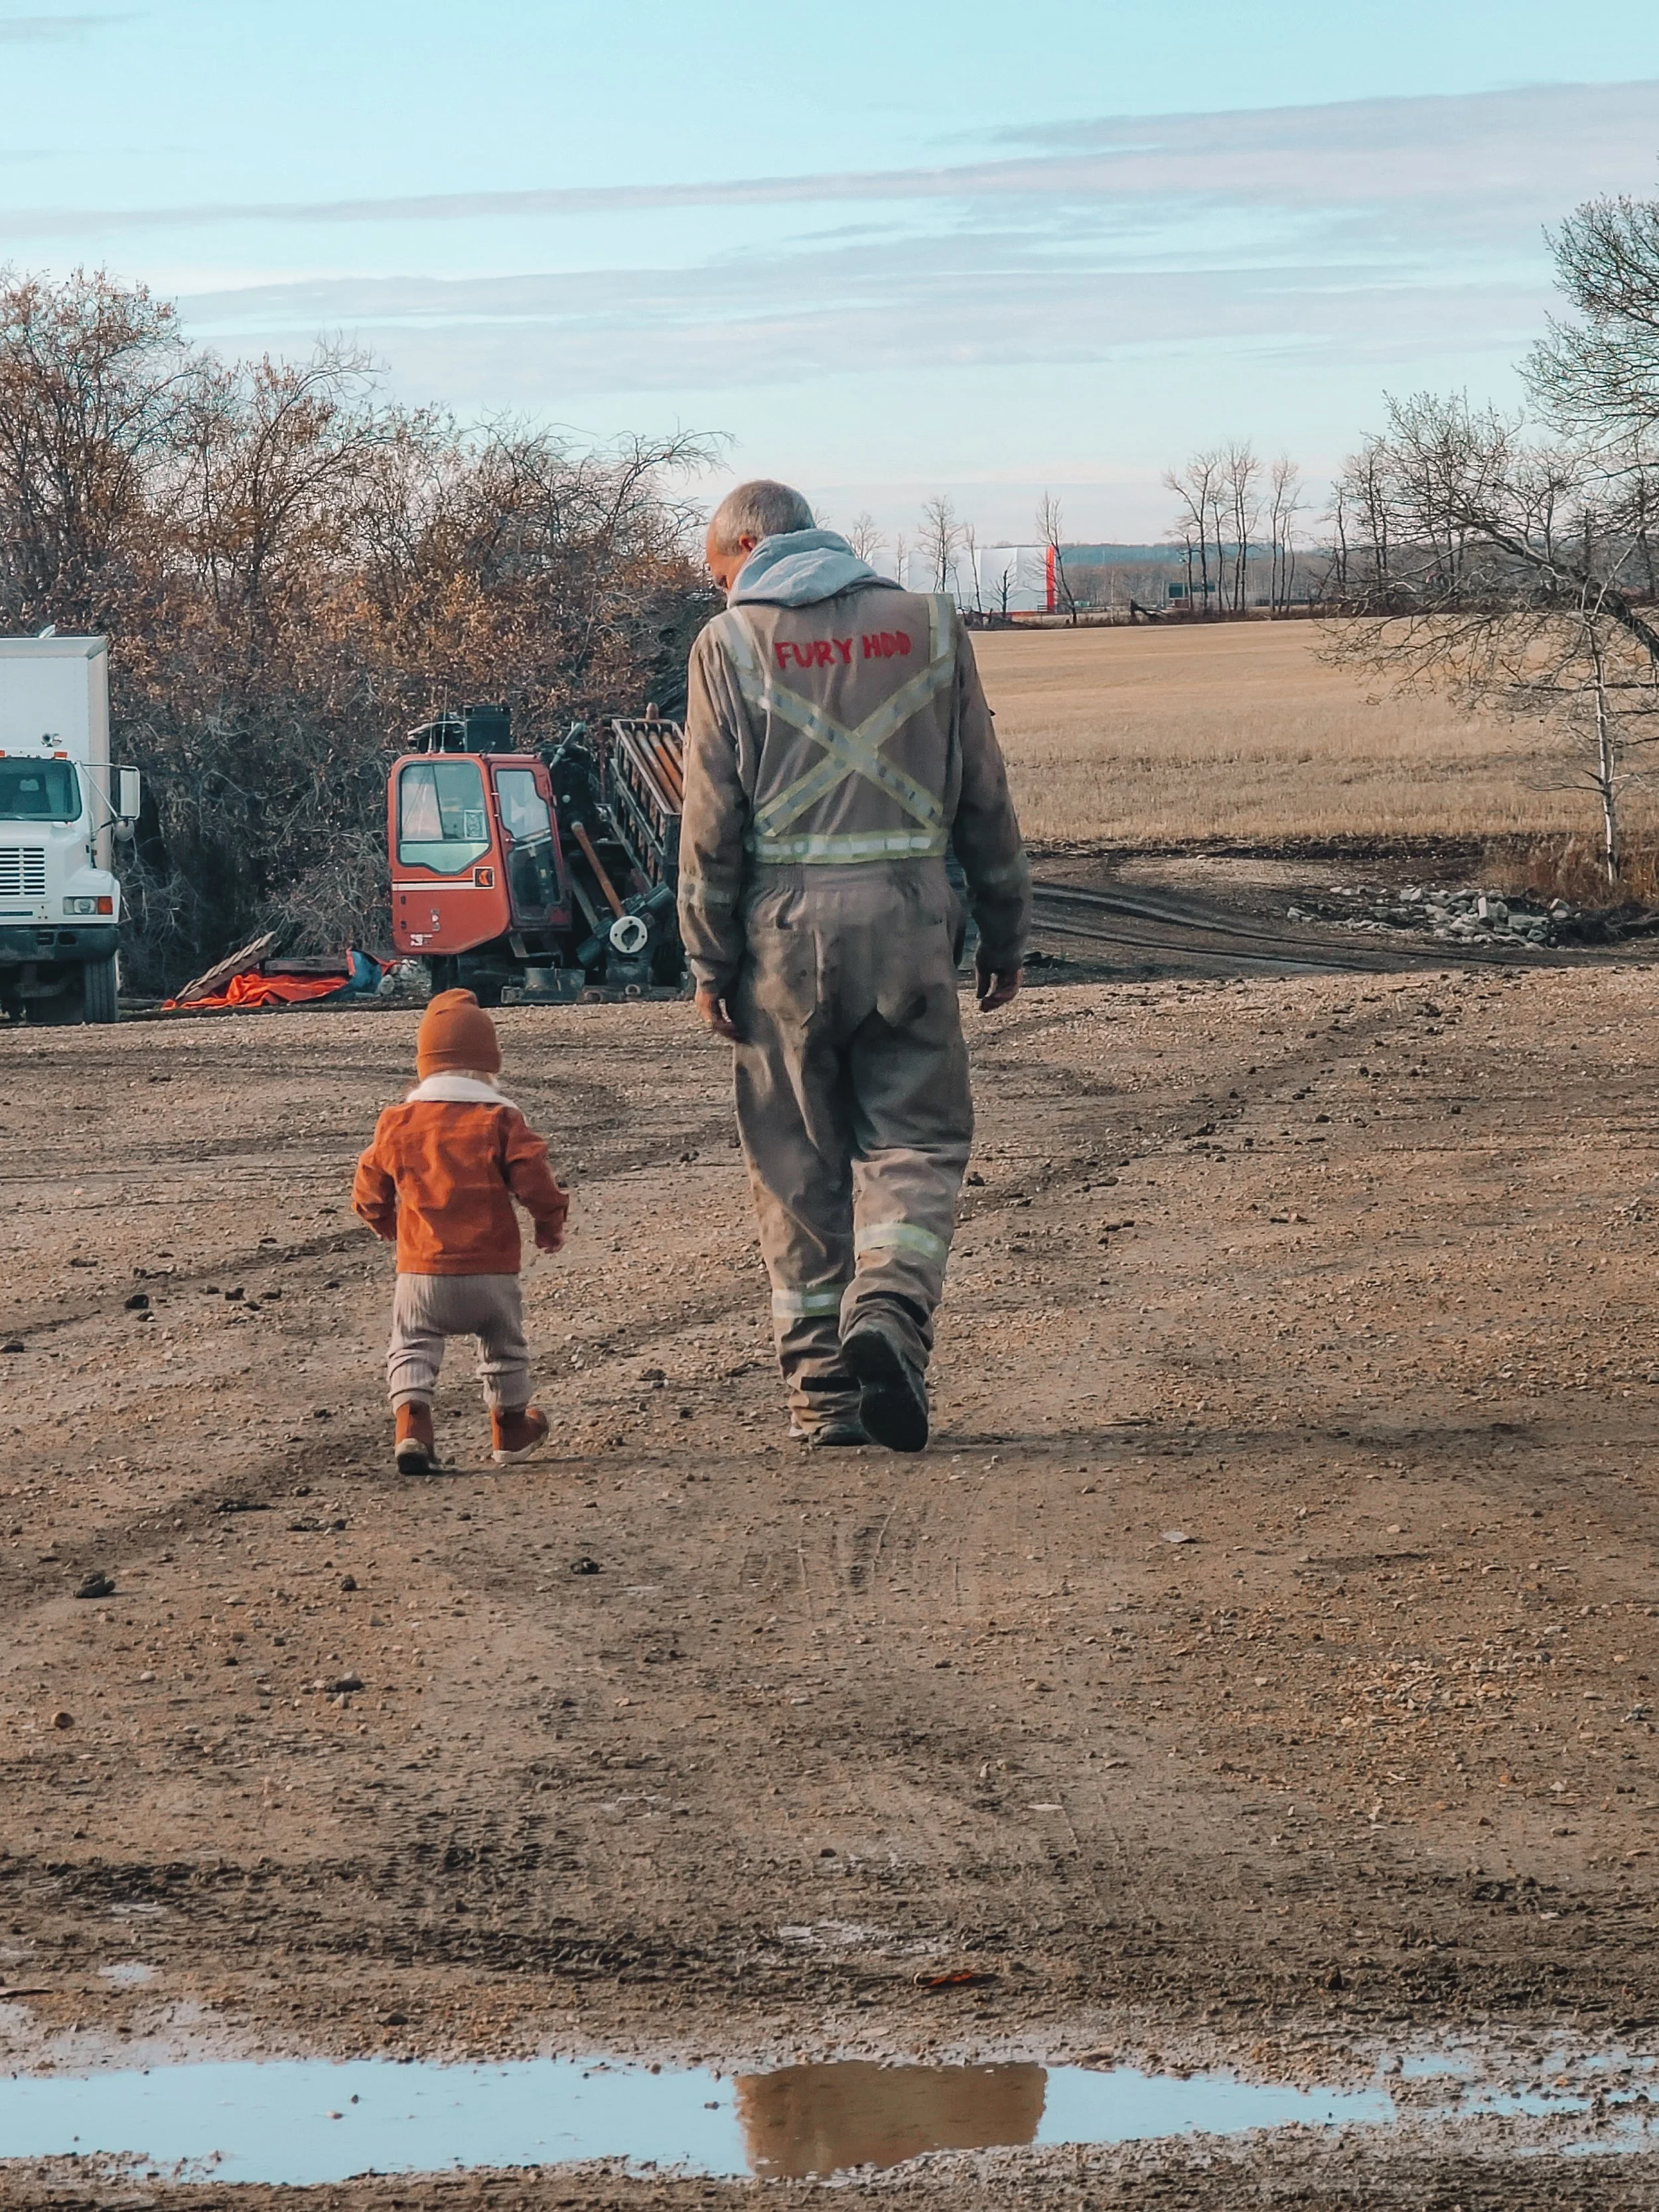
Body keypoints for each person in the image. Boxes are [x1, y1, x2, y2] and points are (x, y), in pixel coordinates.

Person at [678, 480, 1030, 1453]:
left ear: (749, 546)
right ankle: (889, 1306)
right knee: (914, 1141)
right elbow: (986, 800)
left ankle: (825, 1400)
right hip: (912, 926)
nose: (720, 593)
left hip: (780, 944)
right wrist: (1005, 930)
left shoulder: (728, 647)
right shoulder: (930, 625)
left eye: (720, 573)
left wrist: (707, 959)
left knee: (796, 1165)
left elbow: (709, 827)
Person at [352, 988, 569, 1473]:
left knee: (411, 1343)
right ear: (489, 1062)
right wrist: (548, 1223)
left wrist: (381, 1217)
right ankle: (511, 1428)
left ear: (425, 1063)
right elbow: (535, 1177)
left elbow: (369, 1178)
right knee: (504, 1346)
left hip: (422, 1272)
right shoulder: (500, 1118)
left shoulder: (399, 1120)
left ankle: (412, 1426)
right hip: (491, 1272)